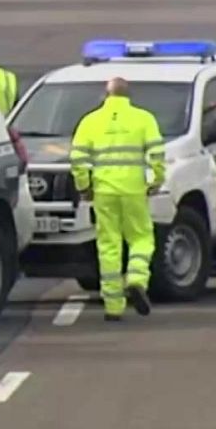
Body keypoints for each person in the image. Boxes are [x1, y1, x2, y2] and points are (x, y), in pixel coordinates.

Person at [70, 76, 165, 321]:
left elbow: (78, 159)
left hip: (103, 191)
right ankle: (137, 279)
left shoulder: (90, 121)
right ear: (128, 95)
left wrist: (84, 186)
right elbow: (157, 153)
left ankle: (113, 306)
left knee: (108, 245)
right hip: (134, 189)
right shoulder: (144, 118)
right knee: (141, 237)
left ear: (106, 95)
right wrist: (156, 180)